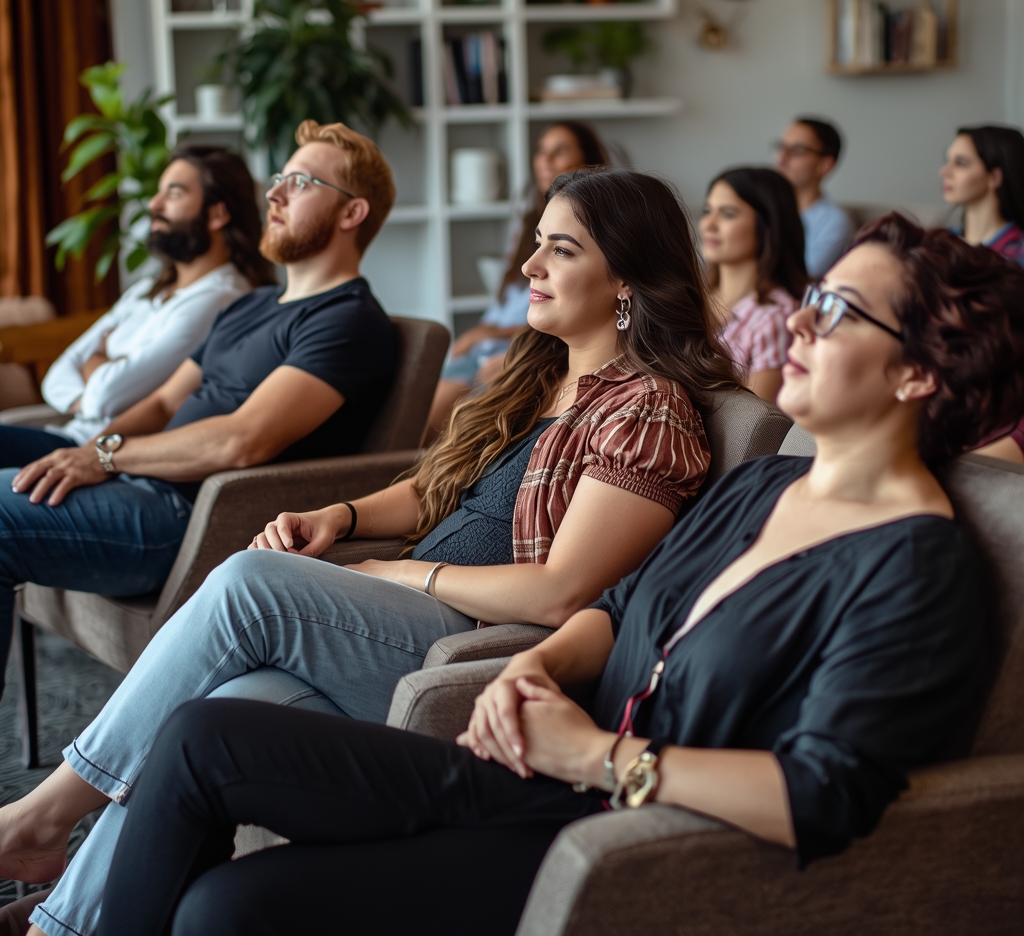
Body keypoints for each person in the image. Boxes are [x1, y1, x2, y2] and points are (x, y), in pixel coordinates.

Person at [44, 214, 1024, 936]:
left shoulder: (915, 564)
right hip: (541, 761)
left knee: (225, 908)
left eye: (839, 312)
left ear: (919, 372)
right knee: (204, 733)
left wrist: (597, 757)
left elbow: (824, 793)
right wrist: (538, 668)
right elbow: (614, 604)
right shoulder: (767, 482)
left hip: (620, 819)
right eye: (810, 300)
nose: (799, 329)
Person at [0, 168, 740, 936]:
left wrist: (396, 568)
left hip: (470, 642)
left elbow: (563, 593)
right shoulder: (540, 378)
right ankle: (66, 923)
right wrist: (341, 517)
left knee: (252, 583)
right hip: (408, 610)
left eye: (561, 249)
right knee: (212, 713)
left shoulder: (649, 408)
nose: (530, 266)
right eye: (537, 244)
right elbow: (430, 491)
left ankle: (41, 815)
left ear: (625, 280)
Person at [0, 120, 400, 698]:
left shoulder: (348, 320)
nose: (275, 193)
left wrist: (107, 457)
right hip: (135, 473)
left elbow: (242, 439)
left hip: (179, 513)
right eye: (279, 178)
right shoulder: (253, 304)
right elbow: (164, 400)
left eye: (302, 181)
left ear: (351, 213)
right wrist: (91, 451)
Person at [0, 147, 273, 468]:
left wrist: (94, 364)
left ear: (217, 214)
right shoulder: (145, 291)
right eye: (158, 193)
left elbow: (108, 395)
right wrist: (102, 378)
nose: (154, 205)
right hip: (69, 439)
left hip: (103, 457)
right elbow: (56, 377)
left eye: (174, 193)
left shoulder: (221, 300)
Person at [426, 121, 609, 440]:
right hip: (495, 343)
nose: (530, 267)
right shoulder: (527, 221)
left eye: (560, 151)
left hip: (525, 346)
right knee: (423, 420)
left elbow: (576, 314)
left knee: (444, 423)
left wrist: (508, 342)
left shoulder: (601, 226)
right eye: (541, 152)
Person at [700, 166, 807, 402]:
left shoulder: (775, 317)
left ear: (767, 225)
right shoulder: (691, 294)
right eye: (707, 211)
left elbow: (757, 425)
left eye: (727, 214)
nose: (708, 224)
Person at [774, 117, 853, 278]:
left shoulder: (834, 221)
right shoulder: (762, 208)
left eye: (797, 150)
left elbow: (802, 277)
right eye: (781, 147)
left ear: (825, 164)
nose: (781, 158)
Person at [941, 124, 1024, 265]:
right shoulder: (939, 242)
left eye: (961, 163)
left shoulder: (1018, 255)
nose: (944, 172)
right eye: (948, 161)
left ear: (994, 177)